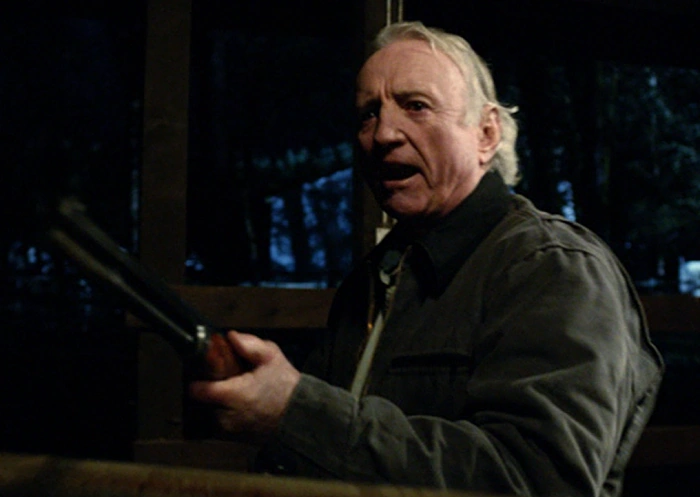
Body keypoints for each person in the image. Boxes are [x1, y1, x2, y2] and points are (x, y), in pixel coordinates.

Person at [189, 21, 663, 497]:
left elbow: (537, 481)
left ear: (486, 133)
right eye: (367, 114)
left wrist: (296, 413)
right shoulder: (374, 278)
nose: (383, 134)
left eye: (416, 106)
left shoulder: (550, 268)